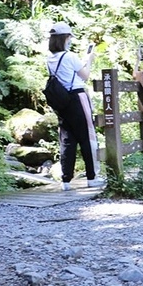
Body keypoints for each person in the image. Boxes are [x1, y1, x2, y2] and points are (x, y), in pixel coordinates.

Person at [46, 21, 104, 190]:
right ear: (65, 38)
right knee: (87, 136)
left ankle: (66, 180)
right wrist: (90, 60)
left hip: (61, 101)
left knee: (67, 139)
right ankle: (92, 177)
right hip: (77, 98)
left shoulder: (49, 58)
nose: (70, 40)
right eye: (69, 37)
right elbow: (84, 76)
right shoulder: (70, 56)